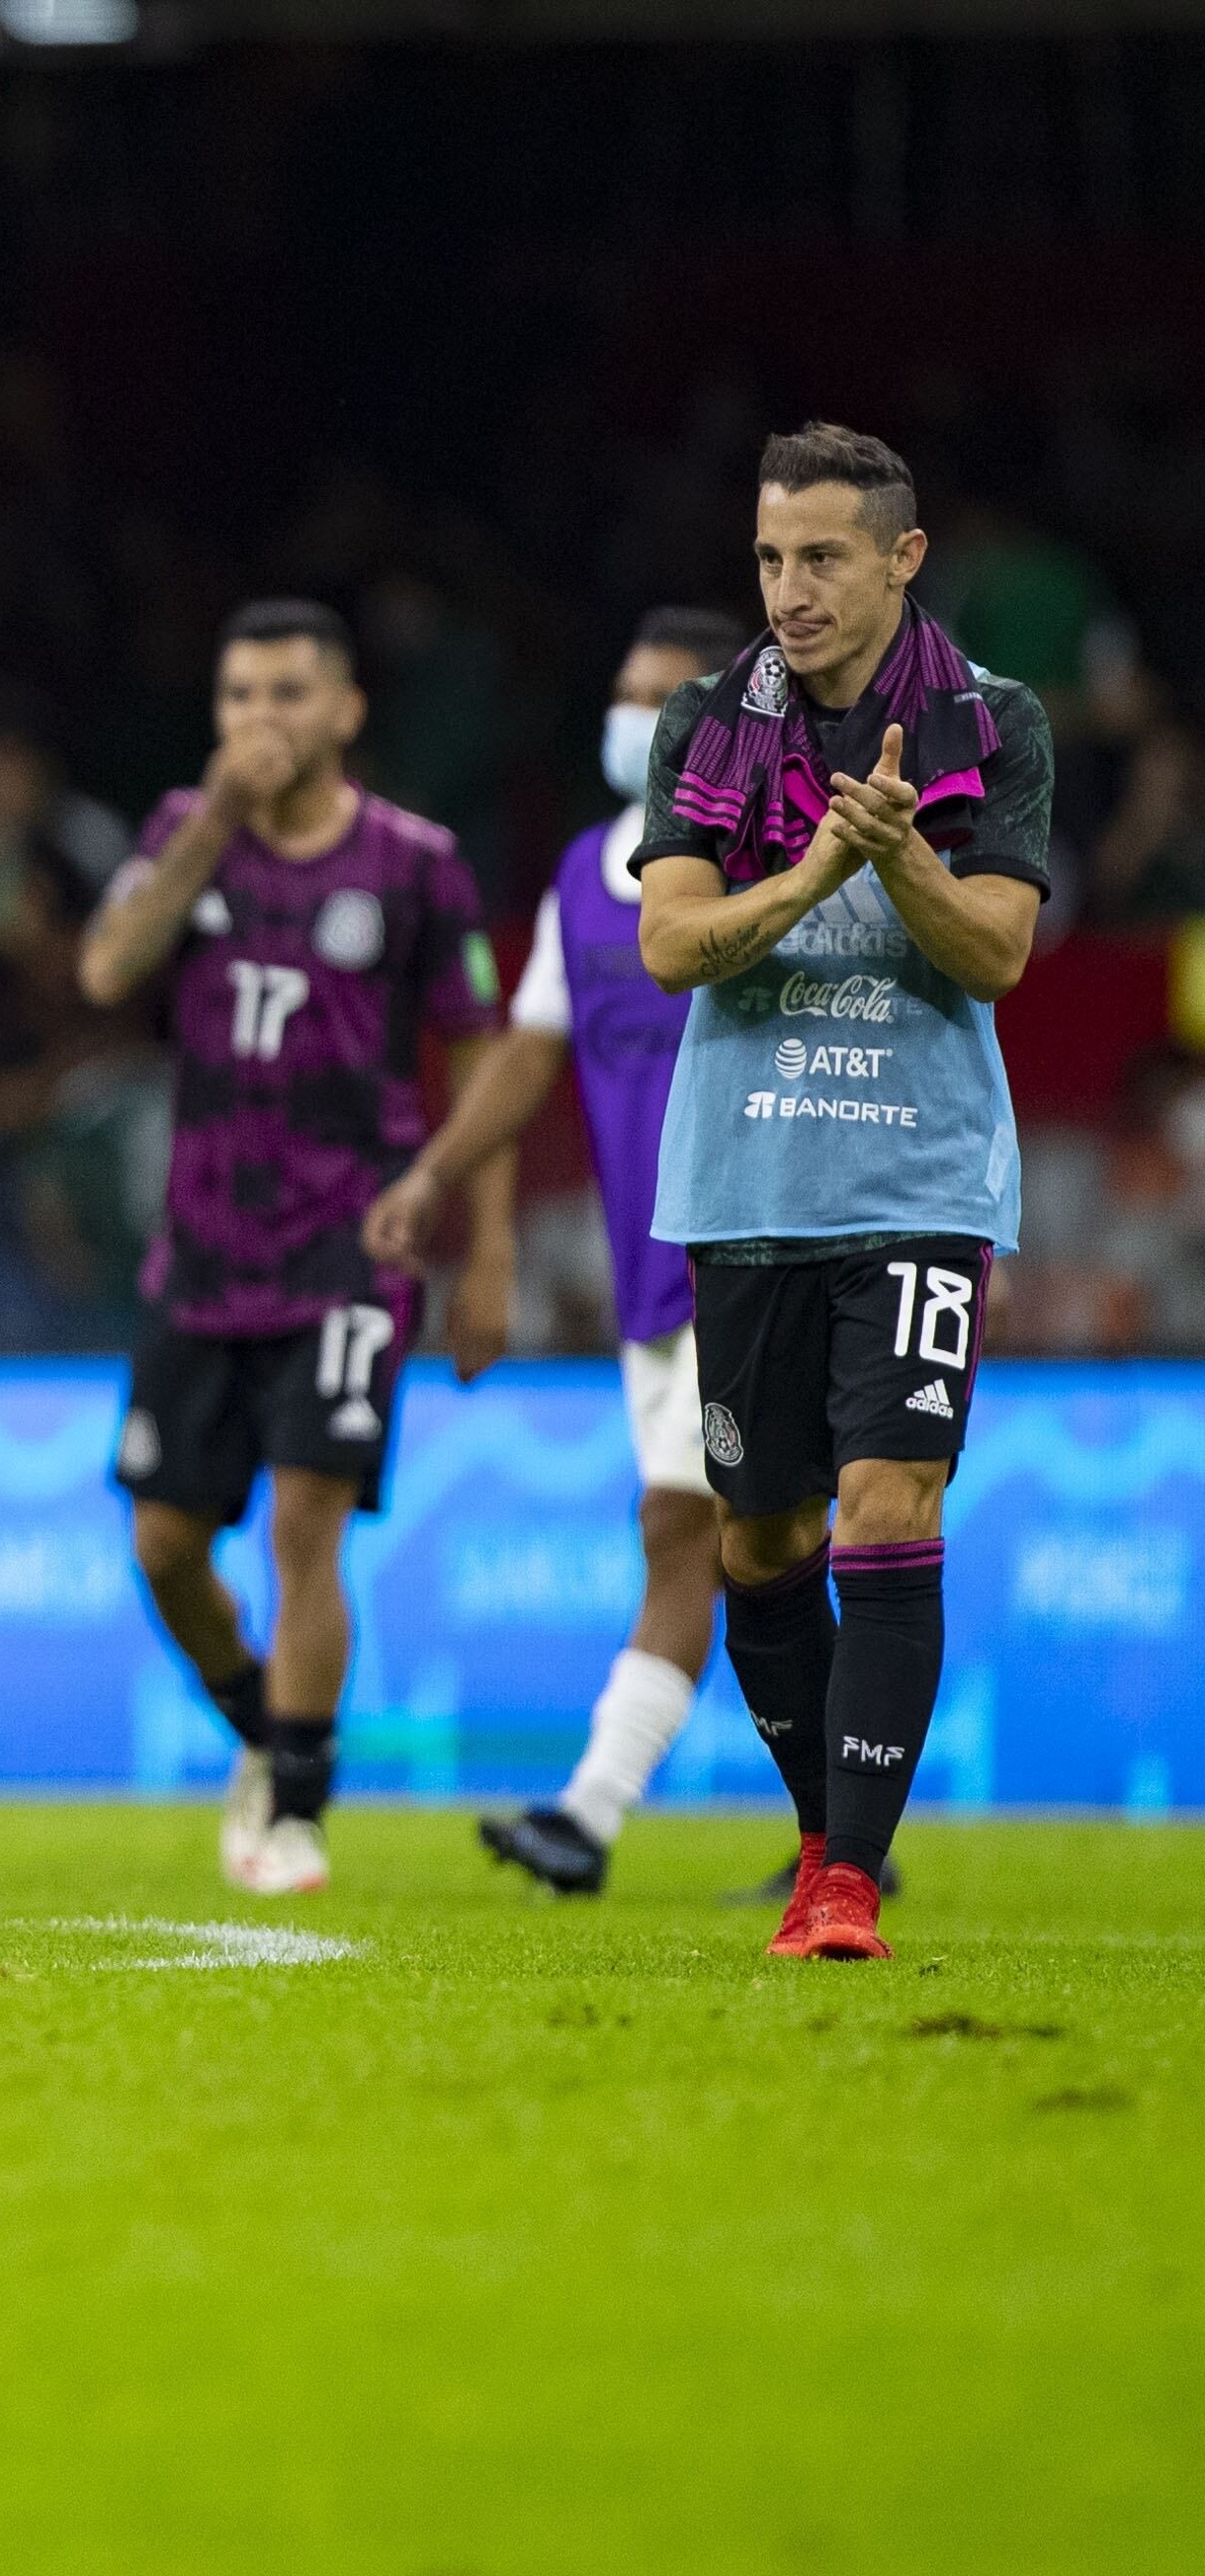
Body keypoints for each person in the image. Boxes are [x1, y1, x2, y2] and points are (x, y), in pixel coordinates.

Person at [633, 424, 1051, 1963]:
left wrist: (904, 862)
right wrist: (816, 871)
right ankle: (819, 1834)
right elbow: (672, 945)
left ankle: (848, 1883)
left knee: (888, 1501)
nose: (790, 590)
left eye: (821, 556)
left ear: (901, 557)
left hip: (920, 1175)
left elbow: (997, 951)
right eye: (768, 558)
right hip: (745, 1180)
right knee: (761, 1535)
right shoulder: (704, 723)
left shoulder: (992, 724)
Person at [76, 599, 508, 1897]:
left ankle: (302, 1808)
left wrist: (481, 1252)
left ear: (346, 710)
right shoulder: (177, 835)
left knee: (305, 1528)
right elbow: (107, 971)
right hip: (199, 1252)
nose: (261, 720)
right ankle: (266, 1733)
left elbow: (483, 1049)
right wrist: (211, 819)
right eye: (240, 696)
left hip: (348, 1245)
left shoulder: (416, 863)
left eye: (287, 693)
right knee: (164, 1544)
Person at [367, 608, 746, 1898]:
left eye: (663, 696)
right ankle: (844, 1837)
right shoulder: (585, 871)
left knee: (684, 1530)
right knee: (757, 1549)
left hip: (750, 1254)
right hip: (651, 1274)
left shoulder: (764, 857)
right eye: (624, 691)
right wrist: (434, 1170)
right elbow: (530, 1054)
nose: (634, 717)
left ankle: (587, 1814)